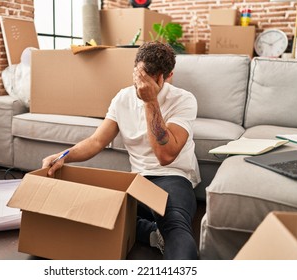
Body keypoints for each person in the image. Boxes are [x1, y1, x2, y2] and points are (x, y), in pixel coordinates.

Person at [42, 41, 200, 260]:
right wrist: (64, 156)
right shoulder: (122, 98)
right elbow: (97, 141)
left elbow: (166, 156)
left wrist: (150, 101)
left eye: (149, 79)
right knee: (93, 210)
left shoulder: (183, 100)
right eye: (139, 75)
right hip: (137, 180)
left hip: (173, 176)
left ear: (168, 76)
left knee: (175, 226)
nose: (141, 84)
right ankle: (153, 233)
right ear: (134, 68)